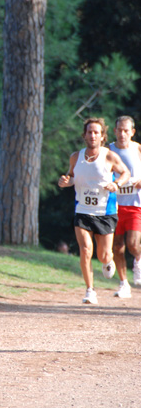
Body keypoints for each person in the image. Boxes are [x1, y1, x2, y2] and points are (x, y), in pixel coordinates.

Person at [58, 117, 130, 305]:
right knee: (85, 249)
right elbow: (71, 177)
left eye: (96, 132)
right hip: (82, 210)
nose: (92, 135)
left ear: (102, 136)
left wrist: (117, 184)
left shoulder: (109, 156)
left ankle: (108, 261)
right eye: (89, 132)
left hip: (105, 212)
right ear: (84, 135)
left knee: (103, 255)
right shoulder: (76, 157)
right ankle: (90, 290)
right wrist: (65, 181)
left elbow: (126, 173)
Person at [109, 115, 141, 297]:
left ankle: (138, 258)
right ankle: (124, 284)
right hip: (115, 205)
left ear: (132, 132)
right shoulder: (109, 151)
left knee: (133, 244)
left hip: (136, 205)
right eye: (119, 130)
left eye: (126, 131)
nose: (122, 134)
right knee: (117, 246)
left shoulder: (137, 149)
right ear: (114, 131)